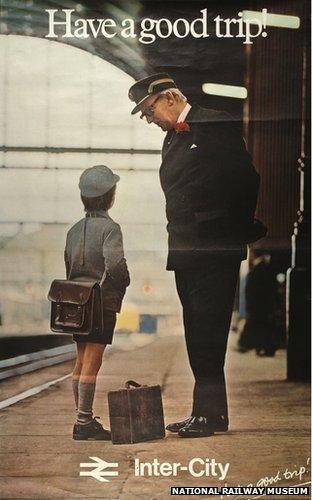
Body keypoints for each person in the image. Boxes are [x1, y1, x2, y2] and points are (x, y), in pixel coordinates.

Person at [128, 73, 264, 438]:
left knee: (208, 333)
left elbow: (247, 180)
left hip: (213, 249)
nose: (148, 118)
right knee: (197, 333)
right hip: (186, 251)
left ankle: (208, 415)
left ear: (170, 98)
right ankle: (207, 414)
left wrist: (228, 229)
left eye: (149, 109)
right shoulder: (172, 138)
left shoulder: (213, 122)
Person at [64, 165, 130, 440]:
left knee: (80, 361)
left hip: (75, 303)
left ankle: (82, 418)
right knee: (93, 360)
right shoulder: (110, 228)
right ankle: (83, 422)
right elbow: (114, 264)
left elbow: (68, 265)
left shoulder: (74, 230)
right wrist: (125, 279)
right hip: (100, 303)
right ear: (110, 196)